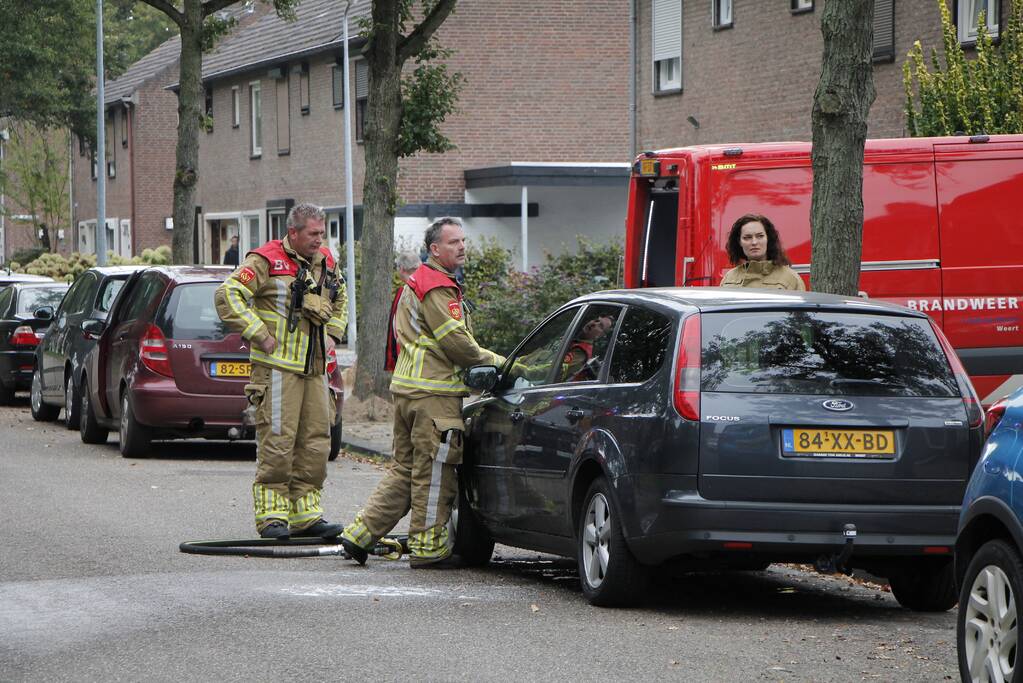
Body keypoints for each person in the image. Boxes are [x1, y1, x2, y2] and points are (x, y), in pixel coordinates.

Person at [339, 217, 505, 567]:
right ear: (434, 249)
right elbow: (458, 344)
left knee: (406, 469)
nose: (461, 247)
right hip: (434, 396)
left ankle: (360, 535)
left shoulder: (416, 282)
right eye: (453, 242)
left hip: (408, 392)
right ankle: (428, 550)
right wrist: (502, 363)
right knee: (434, 474)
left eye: (463, 240)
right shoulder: (437, 286)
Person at [214, 203, 348, 540]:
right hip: (276, 370)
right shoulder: (264, 260)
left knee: (317, 442)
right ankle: (273, 516)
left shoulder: (327, 262)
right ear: (294, 232)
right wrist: (259, 334)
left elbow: (342, 298)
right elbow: (227, 295)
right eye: (313, 233)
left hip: (315, 369)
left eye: (323, 232)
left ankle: (306, 515)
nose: (321, 239)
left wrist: (333, 333)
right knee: (278, 443)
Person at [719, 213, 806, 290]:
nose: (754, 242)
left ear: (768, 239)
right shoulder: (729, 278)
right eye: (747, 238)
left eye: (760, 236)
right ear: (739, 242)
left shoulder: (790, 278)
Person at [385, 250, 422, 372]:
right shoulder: (426, 287)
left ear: (401, 268)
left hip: (409, 357)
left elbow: (398, 327)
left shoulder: (405, 292)